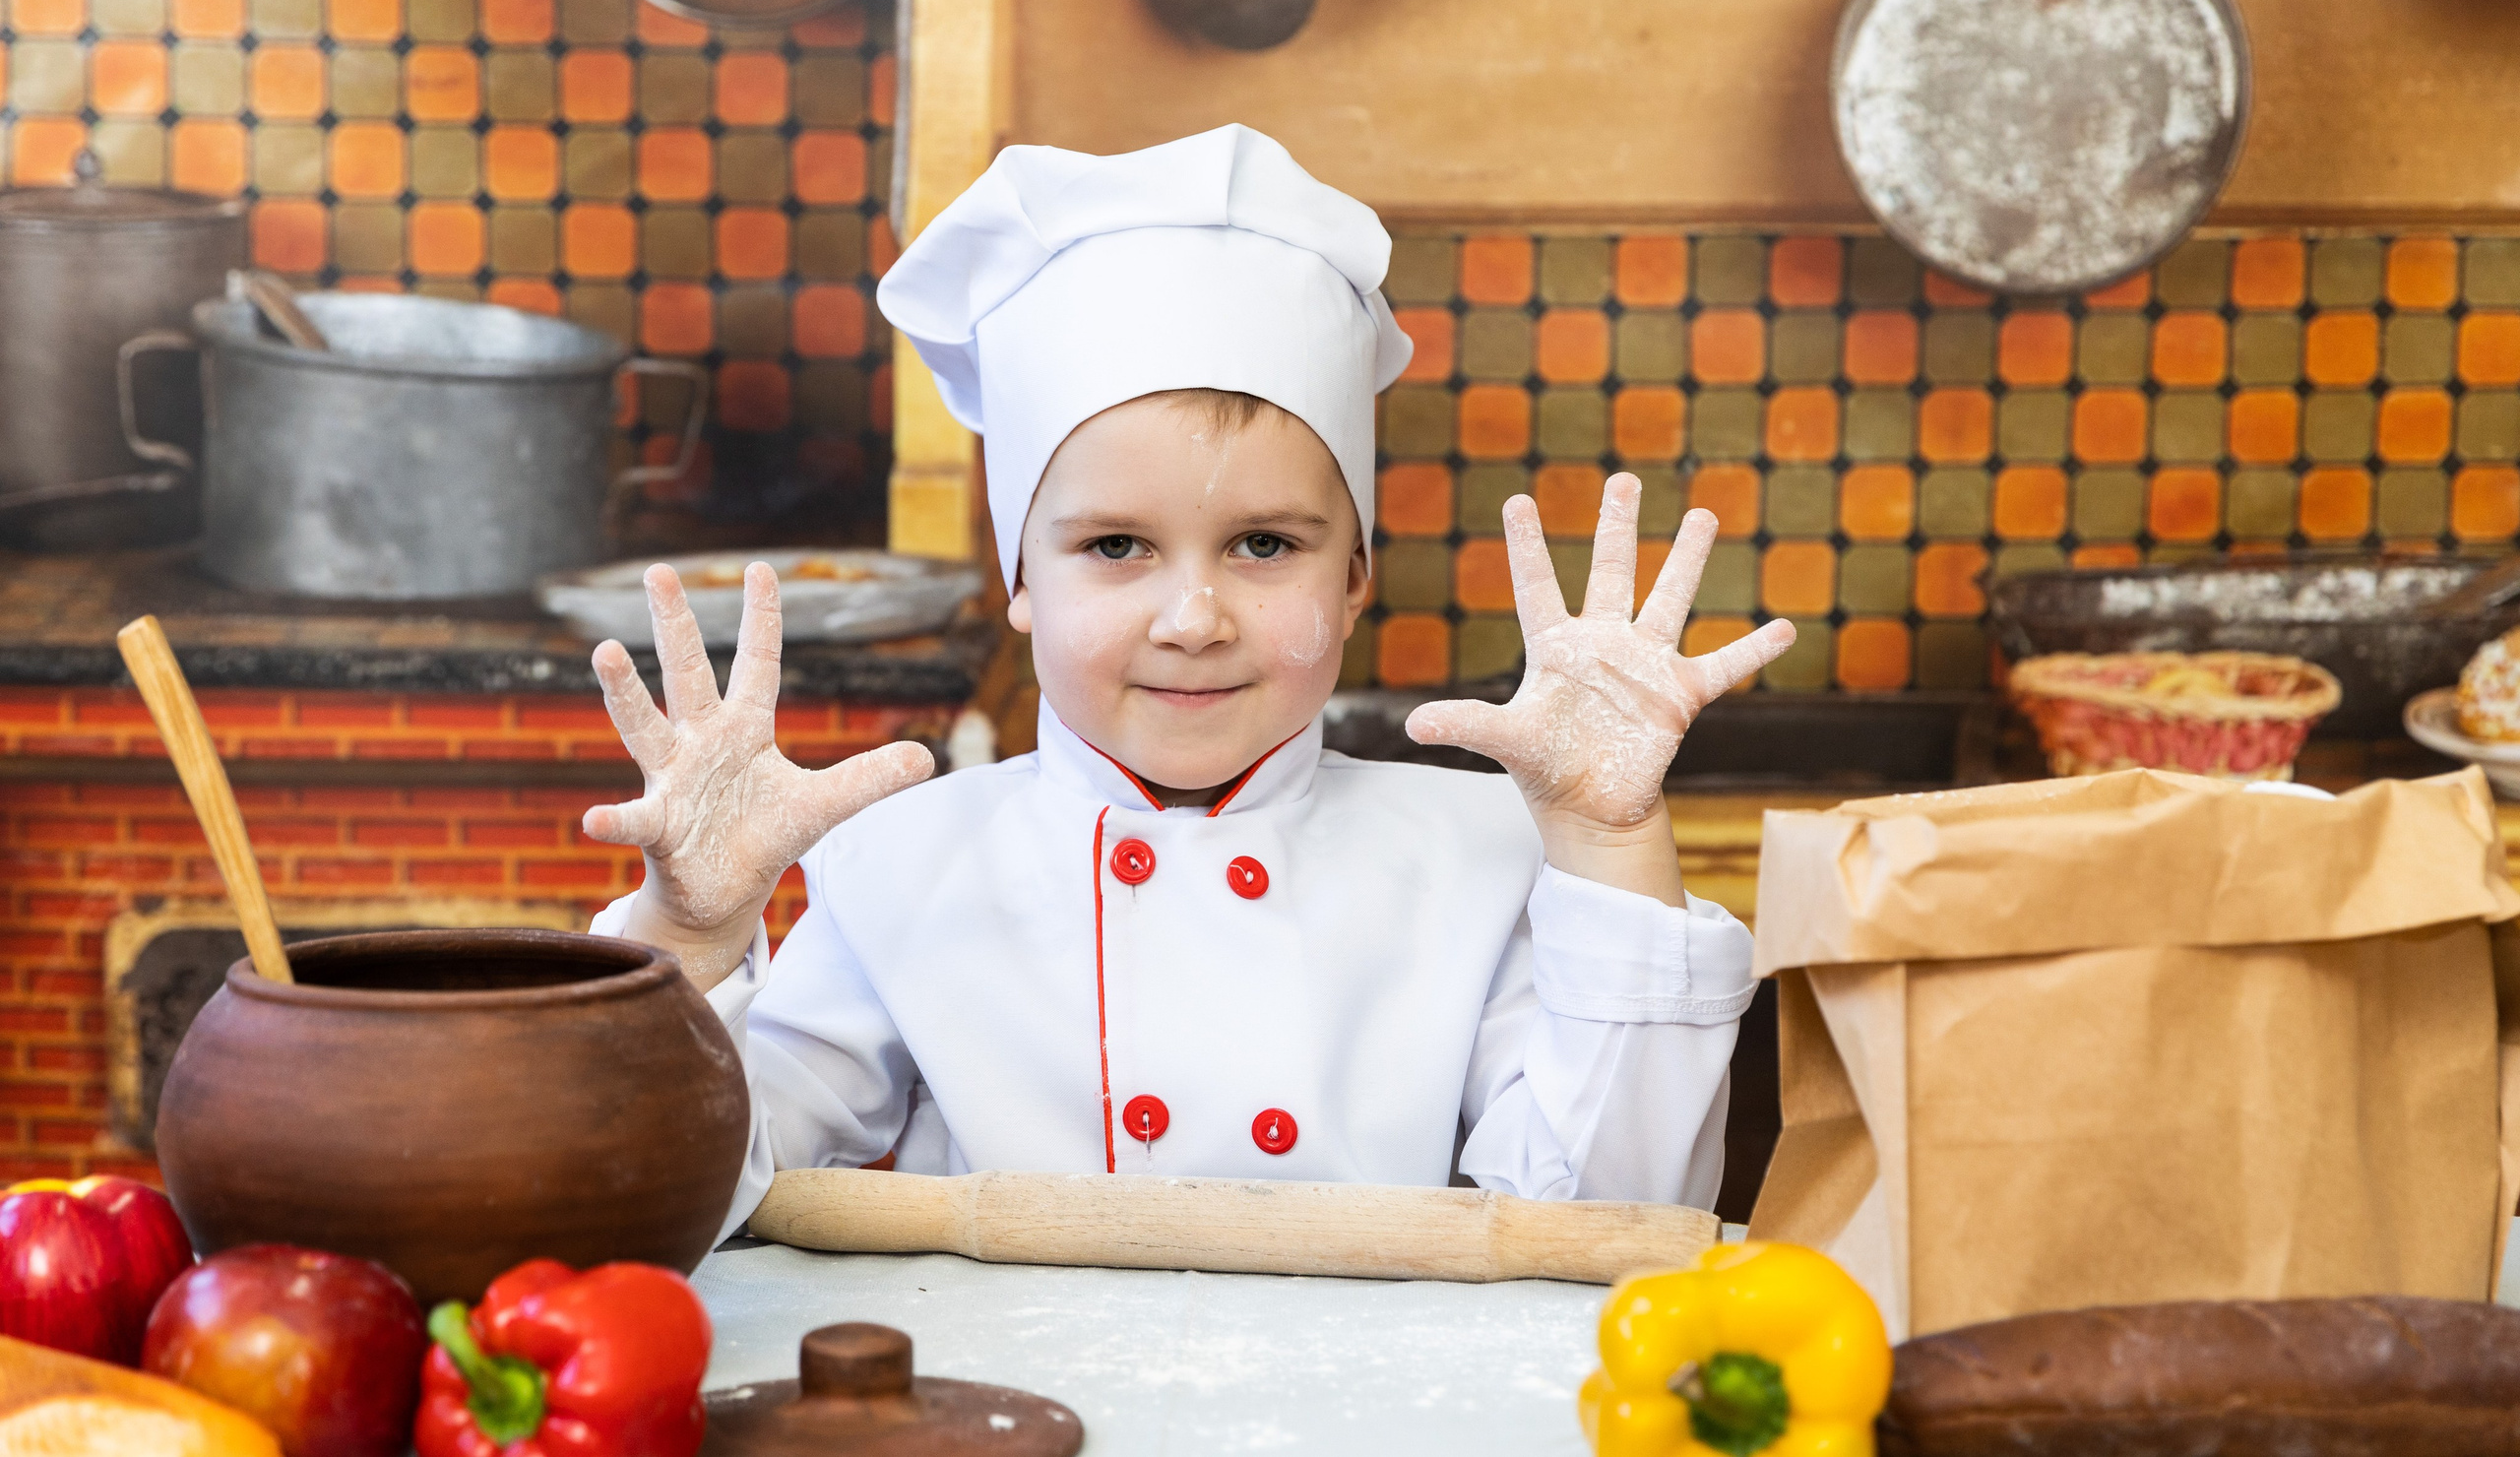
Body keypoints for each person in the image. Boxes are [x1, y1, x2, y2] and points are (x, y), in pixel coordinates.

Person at [583, 125, 1795, 1237]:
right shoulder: (904, 864)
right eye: (1115, 546)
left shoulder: (1488, 855)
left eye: (1265, 545)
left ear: (1358, 572)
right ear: (1017, 578)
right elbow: (699, 1196)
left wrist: (1610, 848)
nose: (1194, 618)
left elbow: (1610, 1225)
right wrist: (688, 937)